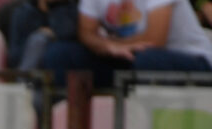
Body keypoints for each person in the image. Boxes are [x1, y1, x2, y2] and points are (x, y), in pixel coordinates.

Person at [41, 0, 212, 89]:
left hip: (192, 60)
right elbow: (86, 33)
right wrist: (109, 47)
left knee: (148, 60)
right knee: (59, 55)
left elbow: (155, 40)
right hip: (131, 60)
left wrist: (114, 44)